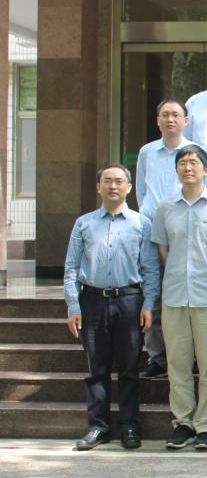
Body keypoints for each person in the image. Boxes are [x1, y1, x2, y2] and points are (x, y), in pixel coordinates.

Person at [63, 164, 161, 450]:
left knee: (129, 369)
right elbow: (71, 268)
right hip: (92, 301)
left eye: (119, 181)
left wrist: (149, 305)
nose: (113, 186)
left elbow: (151, 269)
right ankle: (98, 427)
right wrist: (73, 306)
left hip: (129, 301)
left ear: (129, 187)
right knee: (97, 368)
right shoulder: (84, 224)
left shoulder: (142, 224)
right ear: (99, 187)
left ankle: (130, 426)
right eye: (107, 181)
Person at [150, 145, 207, 451]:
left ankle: (206, 425)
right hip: (175, 296)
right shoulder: (165, 208)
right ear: (176, 170)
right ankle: (183, 423)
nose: (188, 168)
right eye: (182, 163)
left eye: (194, 163)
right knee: (178, 365)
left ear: (206, 169)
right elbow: (163, 250)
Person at [135, 98, 195, 381]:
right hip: (151, 231)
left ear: (186, 120)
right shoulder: (147, 152)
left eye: (176, 115)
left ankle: (189, 355)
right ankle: (156, 357)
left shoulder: (195, 151)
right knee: (154, 292)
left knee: (188, 295)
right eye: (165, 115)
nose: (170, 120)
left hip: (185, 231)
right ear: (157, 120)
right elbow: (141, 191)